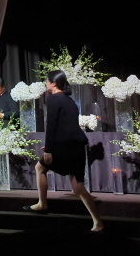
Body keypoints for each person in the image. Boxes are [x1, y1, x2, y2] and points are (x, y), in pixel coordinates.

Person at [24, 70, 103, 231]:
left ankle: (42, 204)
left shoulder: (54, 99)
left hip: (66, 147)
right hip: (76, 146)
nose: (45, 83)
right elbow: (66, 126)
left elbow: (52, 125)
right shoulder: (68, 100)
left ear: (53, 83)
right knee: (78, 186)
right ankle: (97, 222)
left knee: (40, 168)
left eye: (47, 81)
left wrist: (49, 149)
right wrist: (52, 146)